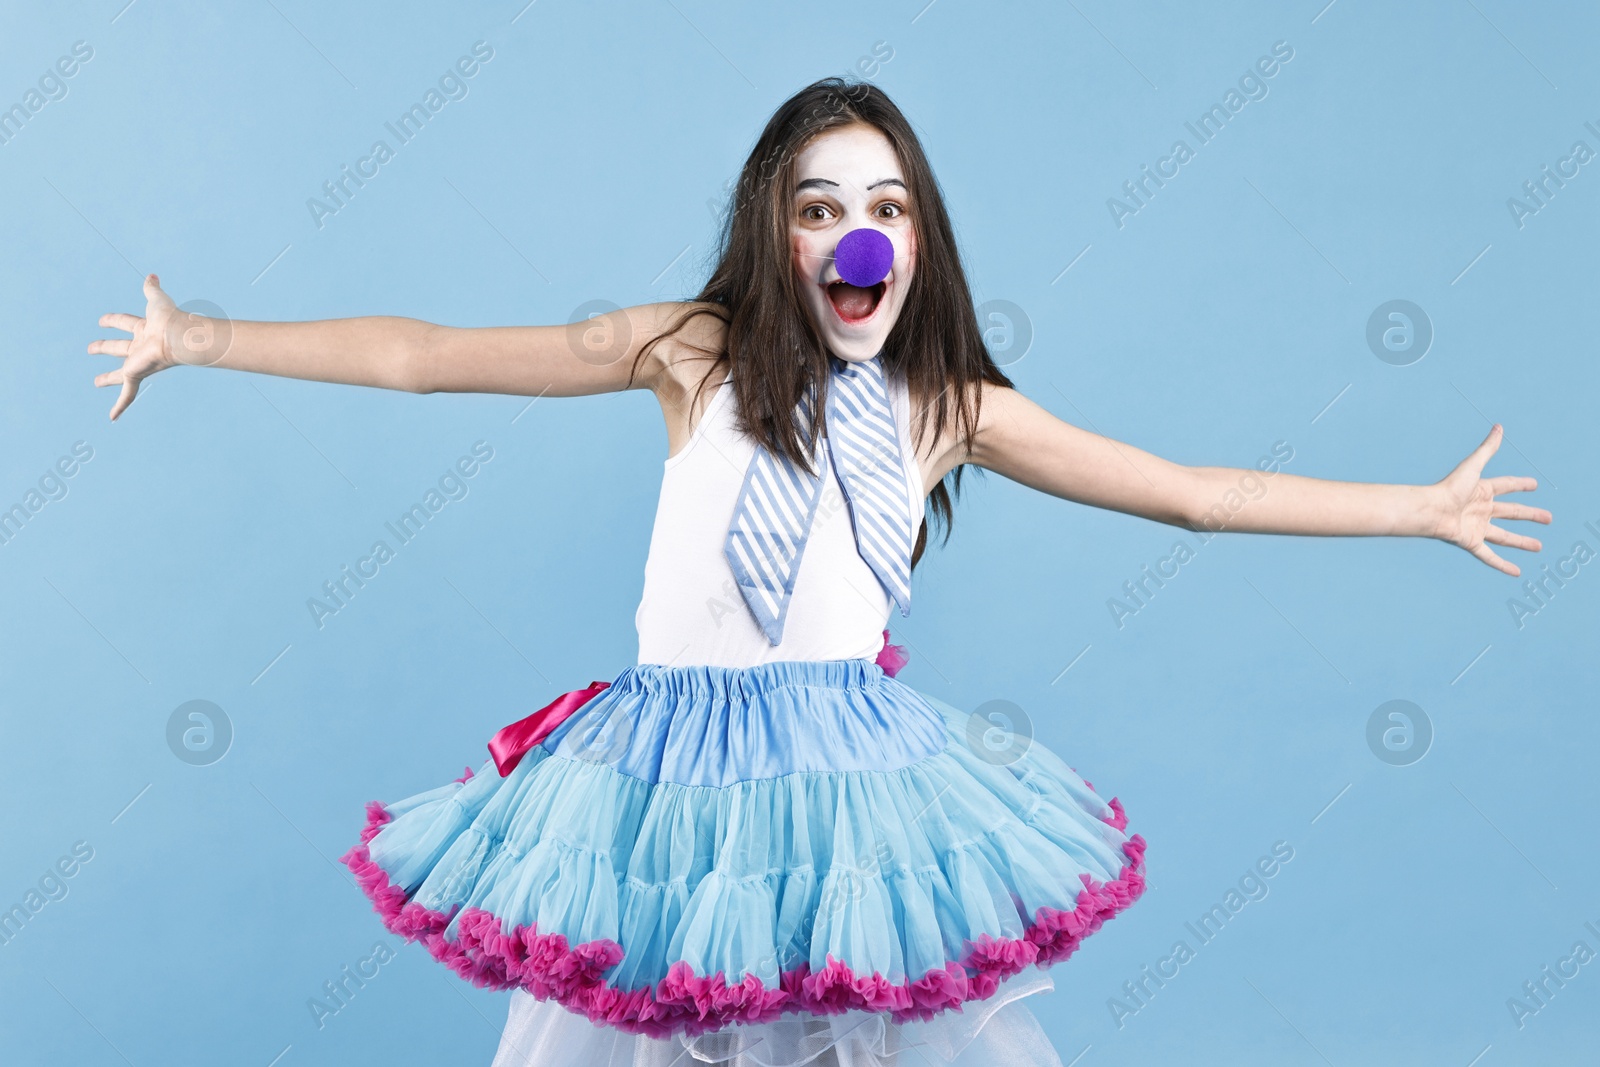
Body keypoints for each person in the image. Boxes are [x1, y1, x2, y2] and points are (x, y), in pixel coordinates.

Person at [87, 77, 1549, 1067]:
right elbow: (427, 359)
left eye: (891, 206)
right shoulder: (691, 351)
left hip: (857, 785)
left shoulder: (945, 405)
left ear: (921, 238)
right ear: (777, 233)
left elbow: (1188, 496)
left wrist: (1414, 507)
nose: (862, 230)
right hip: (659, 781)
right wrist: (207, 339)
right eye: (822, 204)